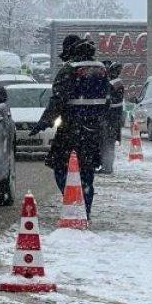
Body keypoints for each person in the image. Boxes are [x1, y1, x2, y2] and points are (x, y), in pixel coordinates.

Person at [32, 35, 111, 218]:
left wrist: (44, 122)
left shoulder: (70, 69)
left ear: (70, 51)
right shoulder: (101, 69)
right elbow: (107, 100)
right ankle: (85, 210)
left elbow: (58, 100)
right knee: (87, 172)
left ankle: (74, 204)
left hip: (70, 130)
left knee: (60, 168)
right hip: (94, 131)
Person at [98, 61, 126, 174]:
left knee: (107, 143)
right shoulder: (116, 83)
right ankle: (107, 166)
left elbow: (108, 101)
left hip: (110, 119)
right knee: (108, 143)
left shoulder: (113, 84)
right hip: (113, 119)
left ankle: (107, 167)